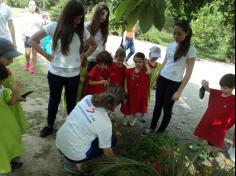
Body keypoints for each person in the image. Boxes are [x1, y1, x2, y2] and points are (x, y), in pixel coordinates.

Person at [29, 0, 97, 138]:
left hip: (74, 75)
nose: (79, 21)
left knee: (72, 102)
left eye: (81, 18)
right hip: (55, 74)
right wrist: (47, 55)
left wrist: (84, 56)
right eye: (77, 18)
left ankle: (72, 126)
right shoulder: (54, 26)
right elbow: (31, 40)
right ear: (69, 15)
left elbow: (94, 45)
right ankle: (49, 125)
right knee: (54, 100)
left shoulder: (81, 30)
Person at [55, 86, 125, 174]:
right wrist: (117, 165)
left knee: (91, 132)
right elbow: (107, 152)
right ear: (116, 105)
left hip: (59, 141)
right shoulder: (106, 123)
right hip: (74, 155)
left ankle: (76, 160)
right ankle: (78, 165)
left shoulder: (88, 98)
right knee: (113, 140)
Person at [143, 21, 196, 134]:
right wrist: (156, 79)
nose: (176, 36)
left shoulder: (191, 50)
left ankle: (160, 132)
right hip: (162, 78)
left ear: (186, 33)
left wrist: (179, 91)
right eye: (174, 33)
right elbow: (165, 62)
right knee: (157, 105)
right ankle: (152, 128)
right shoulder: (171, 45)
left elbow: (188, 73)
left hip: (174, 83)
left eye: (179, 34)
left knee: (167, 108)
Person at [194, 74, 235, 152]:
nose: (222, 89)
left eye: (225, 88)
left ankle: (206, 152)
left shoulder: (233, 99)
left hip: (219, 126)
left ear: (233, 88)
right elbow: (208, 89)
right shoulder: (217, 93)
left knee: (212, 139)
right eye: (221, 87)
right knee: (202, 133)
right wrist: (205, 84)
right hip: (207, 120)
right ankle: (197, 145)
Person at [0, 64, 25, 174]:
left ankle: (10, 160)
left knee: (8, 144)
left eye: (1, 81)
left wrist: (16, 91)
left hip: (6, 126)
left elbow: (10, 102)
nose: (1, 83)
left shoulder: (1, 89)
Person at [0, 38, 28, 135]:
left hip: (11, 103)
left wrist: (18, 97)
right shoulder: (3, 74)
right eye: (9, 58)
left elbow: (6, 96)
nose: (11, 62)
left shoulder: (5, 70)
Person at [121, 52, 151, 127]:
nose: (137, 63)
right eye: (136, 61)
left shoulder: (144, 72)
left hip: (138, 95)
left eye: (139, 62)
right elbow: (125, 79)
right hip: (129, 93)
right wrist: (125, 88)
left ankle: (134, 118)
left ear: (143, 61)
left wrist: (146, 63)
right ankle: (125, 118)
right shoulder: (130, 70)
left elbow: (149, 72)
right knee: (127, 105)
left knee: (136, 106)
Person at [140, 46, 162, 123]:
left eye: (157, 56)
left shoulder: (159, 65)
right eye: (154, 55)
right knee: (139, 97)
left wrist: (155, 82)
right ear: (150, 54)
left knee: (147, 100)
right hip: (142, 84)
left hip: (150, 86)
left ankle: (142, 114)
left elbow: (158, 75)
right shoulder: (144, 63)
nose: (155, 58)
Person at [86, 3, 110, 71]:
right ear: (97, 13)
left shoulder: (104, 29)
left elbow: (103, 45)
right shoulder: (88, 26)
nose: (104, 17)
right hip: (88, 59)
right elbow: (84, 44)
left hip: (99, 61)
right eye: (102, 14)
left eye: (106, 15)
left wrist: (104, 58)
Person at [22, 0, 43, 74]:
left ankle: (33, 66)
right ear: (28, 6)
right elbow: (24, 26)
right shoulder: (25, 15)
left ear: (36, 6)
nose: (32, 6)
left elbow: (41, 28)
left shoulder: (39, 16)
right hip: (27, 36)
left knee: (34, 53)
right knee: (27, 53)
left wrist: (41, 38)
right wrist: (23, 35)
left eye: (33, 5)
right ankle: (27, 62)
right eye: (31, 5)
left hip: (36, 37)